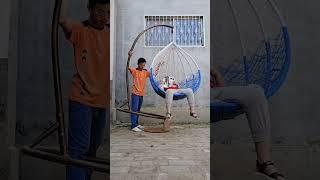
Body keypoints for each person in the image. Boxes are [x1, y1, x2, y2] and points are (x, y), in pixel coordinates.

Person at [59, 0, 110, 180]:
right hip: (82, 99)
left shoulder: (110, 33)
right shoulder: (81, 30)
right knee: (78, 153)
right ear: (89, 9)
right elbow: (62, 20)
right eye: (99, 11)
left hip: (101, 102)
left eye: (107, 12)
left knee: (91, 153)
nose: (103, 16)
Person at [211, 67, 285, 180]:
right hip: (182, 93)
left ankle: (264, 162)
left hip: (210, 94)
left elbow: (219, 87)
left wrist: (215, 75)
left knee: (255, 93)